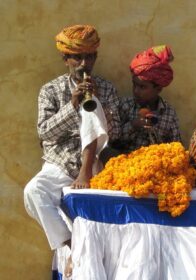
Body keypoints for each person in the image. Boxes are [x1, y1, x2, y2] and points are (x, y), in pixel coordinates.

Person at [23, 24, 120, 255]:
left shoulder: (107, 88)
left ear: (95, 57)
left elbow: (114, 135)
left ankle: (85, 174)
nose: (84, 64)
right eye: (77, 58)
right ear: (65, 59)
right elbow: (45, 133)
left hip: (95, 164)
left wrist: (99, 106)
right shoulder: (50, 90)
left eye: (89, 57)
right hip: (61, 163)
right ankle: (72, 246)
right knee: (33, 192)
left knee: (93, 106)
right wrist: (72, 106)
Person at [108, 45, 181, 154]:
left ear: (159, 89)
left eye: (142, 87)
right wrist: (133, 125)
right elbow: (113, 141)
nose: (136, 91)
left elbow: (176, 148)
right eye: (134, 85)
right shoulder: (125, 106)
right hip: (127, 166)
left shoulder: (169, 113)